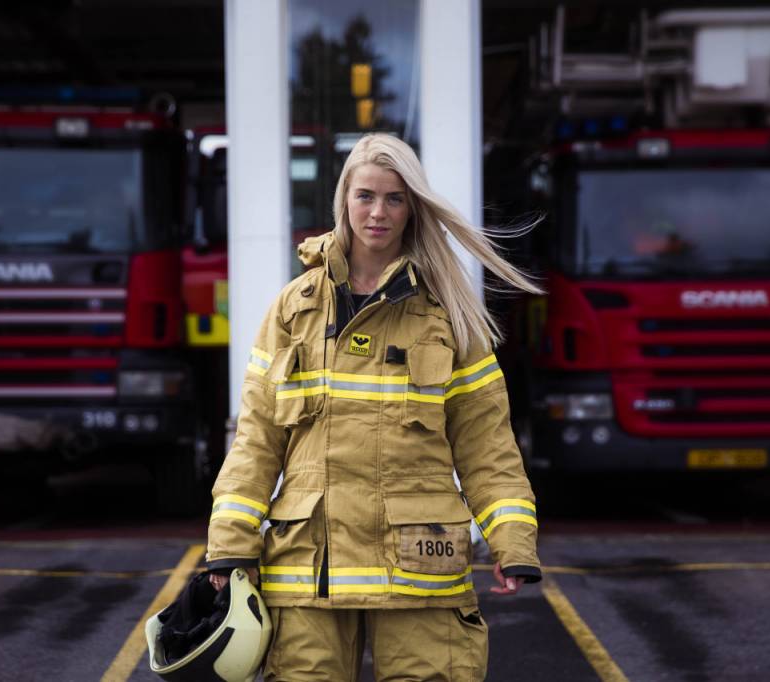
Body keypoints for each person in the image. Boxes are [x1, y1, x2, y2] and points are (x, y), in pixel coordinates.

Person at [206, 133, 543, 681]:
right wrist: (229, 545)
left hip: (419, 569)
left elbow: (487, 445)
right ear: (344, 202)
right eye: (365, 196)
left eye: (394, 199)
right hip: (308, 570)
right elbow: (257, 439)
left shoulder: (447, 315)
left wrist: (512, 542)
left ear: (413, 208)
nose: (378, 213)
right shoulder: (295, 309)